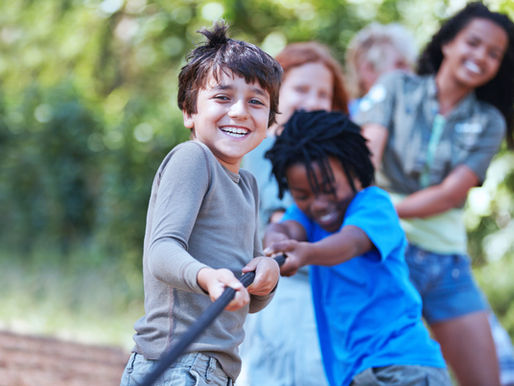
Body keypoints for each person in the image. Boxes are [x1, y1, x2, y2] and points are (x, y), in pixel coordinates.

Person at [355, 2, 514, 385]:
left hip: (446, 266)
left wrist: (384, 206)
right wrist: (376, 214)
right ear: (447, 42)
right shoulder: (396, 87)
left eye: (493, 54)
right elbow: (363, 157)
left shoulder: (488, 121)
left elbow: (449, 193)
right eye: (473, 43)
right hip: (384, 254)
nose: (480, 57)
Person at [119, 22, 282, 386]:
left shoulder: (248, 185)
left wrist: (265, 278)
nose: (240, 111)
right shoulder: (193, 158)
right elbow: (161, 252)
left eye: (256, 101)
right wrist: (207, 277)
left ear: (269, 121)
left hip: (211, 368)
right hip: (178, 363)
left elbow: (244, 296)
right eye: (223, 97)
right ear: (189, 111)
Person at [262, 109, 451, 386]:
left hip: (402, 366)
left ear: (355, 170)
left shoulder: (373, 205)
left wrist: (306, 253)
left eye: (329, 188)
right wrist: (274, 244)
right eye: (302, 195)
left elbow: (350, 242)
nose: (319, 204)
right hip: (353, 374)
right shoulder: (306, 217)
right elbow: (284, 229)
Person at [241, 42, 349, 386]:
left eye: (323, 94)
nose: (312, 100)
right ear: (275, 94)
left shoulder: (332, 160)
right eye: (301, 89)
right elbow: (279, 220)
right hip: (285, 294)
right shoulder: (270, 147)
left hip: (323, 294)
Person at [345, 22, 417, 117]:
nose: (410, 74)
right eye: (399, 65)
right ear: (368, 70)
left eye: (409, 66)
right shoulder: (350, 117)